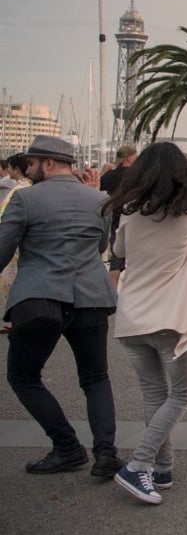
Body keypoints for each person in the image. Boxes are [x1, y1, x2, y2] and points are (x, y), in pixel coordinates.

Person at [0, 136, 122, 479]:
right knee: (96, 377)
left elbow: (3, 249)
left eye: (31, 163)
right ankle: (105, 454)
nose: (28, 170)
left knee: (23, 376)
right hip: (92, 297)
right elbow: (101, 245)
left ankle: (67, 446)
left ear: (49, 163)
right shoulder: (99, 199)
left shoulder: (25, 198)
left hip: (42, 298)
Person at [103, 142, 187, 504]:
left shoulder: (129, 210)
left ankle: (163, 467)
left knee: (154, 394)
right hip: (170, 317)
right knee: (183, 393)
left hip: (131, 315)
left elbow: (118, 252)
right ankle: (139, 463)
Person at [0, 154, 31, 326]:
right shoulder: (26, 187)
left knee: (11, 280)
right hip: (19, 241)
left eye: (10, 168)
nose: (8, 171)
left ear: (17, 169)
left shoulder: (20, 189)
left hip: (15, 243)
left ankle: (14, 319)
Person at [99, 145, 137, 288]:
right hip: (133, 217)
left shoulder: (111, 175)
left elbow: (99, 185)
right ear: (128, 158)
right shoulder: (136, 175)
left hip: (116, 218)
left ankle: (112, 293)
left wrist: (105, 171)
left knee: (115, 263)